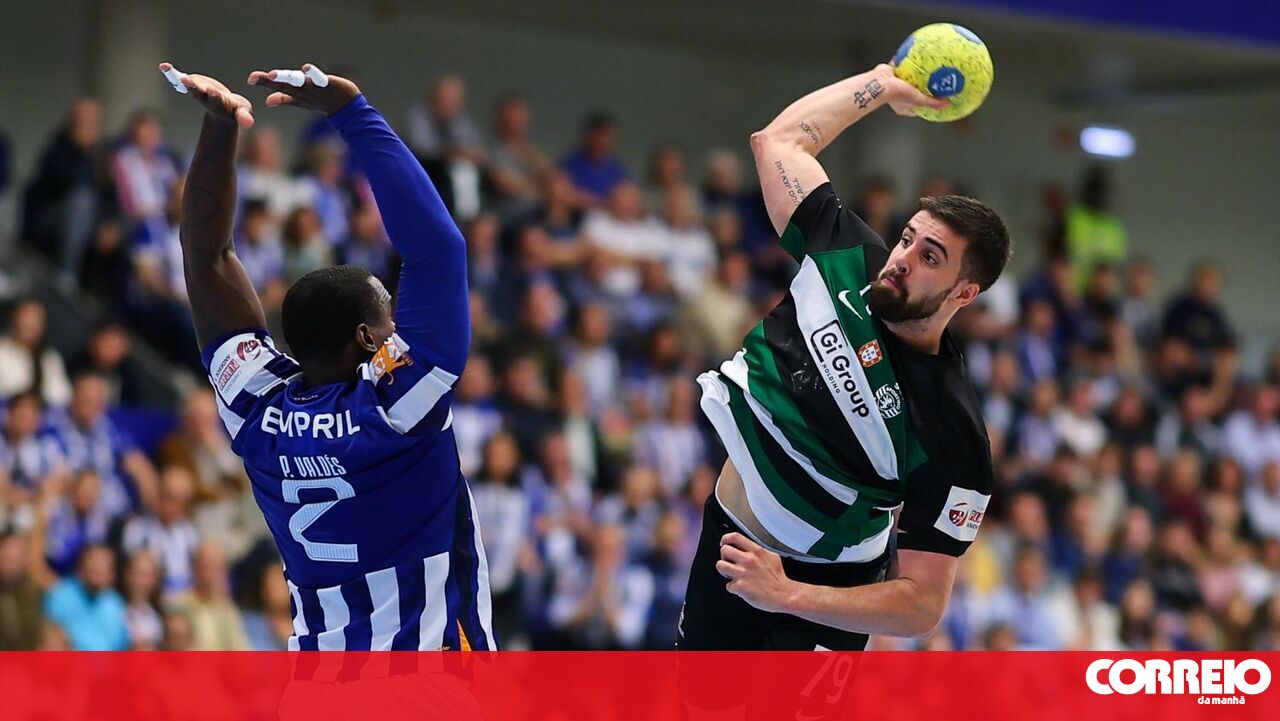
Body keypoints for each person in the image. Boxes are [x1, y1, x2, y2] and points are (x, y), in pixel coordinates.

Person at [676, 62, 1011, 652]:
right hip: (729, 545)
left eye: (930, 257)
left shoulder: (952, 428)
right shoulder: (846, 254)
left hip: (824, 592)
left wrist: (787, 595)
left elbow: (923, 604)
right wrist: (883, 84)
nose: (903, 258)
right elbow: (779, 143)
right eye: (907, 238)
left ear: (964, 294)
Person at [162, 61, 493, 651]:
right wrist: (353, 114)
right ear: (367, 339)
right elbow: (438, 250)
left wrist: (219, 126)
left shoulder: (255, 410)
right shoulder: (399, 407)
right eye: (388, 316)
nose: (398, 326)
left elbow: (207, 260)